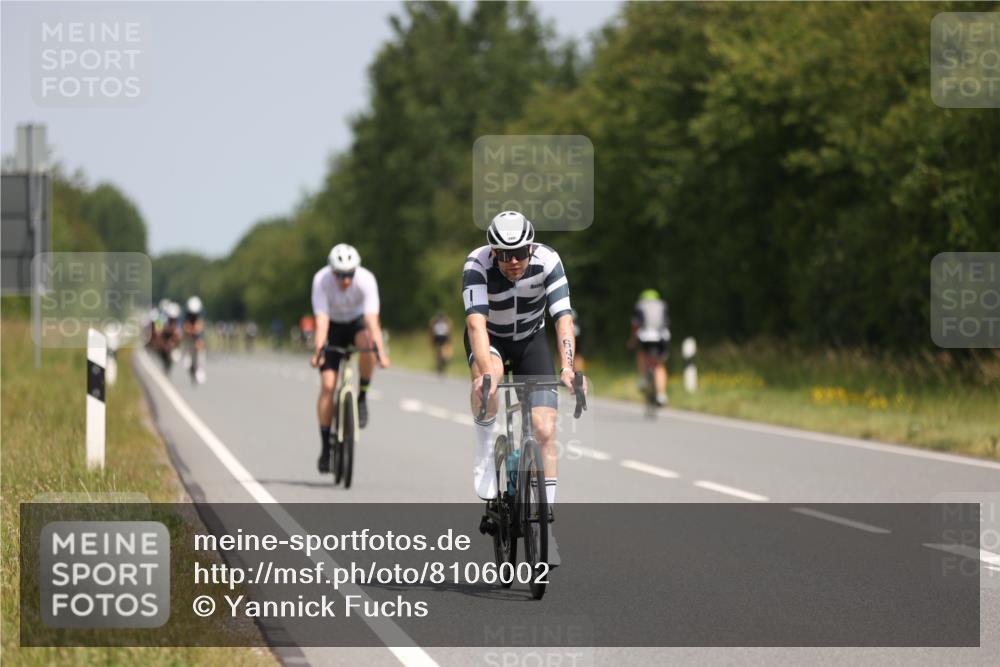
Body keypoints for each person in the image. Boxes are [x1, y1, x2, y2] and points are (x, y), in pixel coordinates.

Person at [463, 210, 578, 567]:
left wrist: (569, 366)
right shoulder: (477, 265)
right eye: (504, 254)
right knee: (488, 384)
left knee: (544, 429)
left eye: (520, 253)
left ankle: (546, 531)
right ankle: (485, 455)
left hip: (530, 340)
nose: (513, 262)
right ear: (492, 251)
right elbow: (476, 325)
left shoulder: (548, 261)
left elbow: (563, 319)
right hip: (492, 340)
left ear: (531, 247)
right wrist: (486, 372)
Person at [309, 243, 390, 473]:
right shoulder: (321, 280)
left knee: (368, 343)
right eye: (340, 275)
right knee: (327, 386)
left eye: (349, 274)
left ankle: (362, 397)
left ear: (356, 270)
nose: (345, 280)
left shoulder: (366, 280)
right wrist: (317, 352)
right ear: (331, 271)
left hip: (356, 324)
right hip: (332, 326)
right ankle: (326, 448)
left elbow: (372, 321)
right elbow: (321, 321)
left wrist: (381, 353)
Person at [629, 289, 670, 406]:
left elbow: (635, 324)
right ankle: (662, 395)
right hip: (661, 337)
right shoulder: (663, 305)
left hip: (645, 336)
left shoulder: (640, 305)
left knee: (642, 354)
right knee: (660, 365)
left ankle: (643, 378)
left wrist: (632, 341)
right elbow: (666, 322)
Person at [183, 296, 206, 384]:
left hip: (198, 337)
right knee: (189, 354)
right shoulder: (186, 316)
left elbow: (200, 327)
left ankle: (199, 368)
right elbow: (185, 329)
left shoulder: (200, 316)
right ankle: (188, 358)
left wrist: (196, 332)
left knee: (200, 348)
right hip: (189, 339)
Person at [157, 302, 182, 374]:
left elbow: (179, 335)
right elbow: (159, 331)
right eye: (171, 318)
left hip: (173, 344)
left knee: (175, 356)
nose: (172, 320)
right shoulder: (162, 319)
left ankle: (169, 363)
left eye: (173, 319)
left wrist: (174, 342)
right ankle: (165, 361)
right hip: (164, 340)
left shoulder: (178, 323)